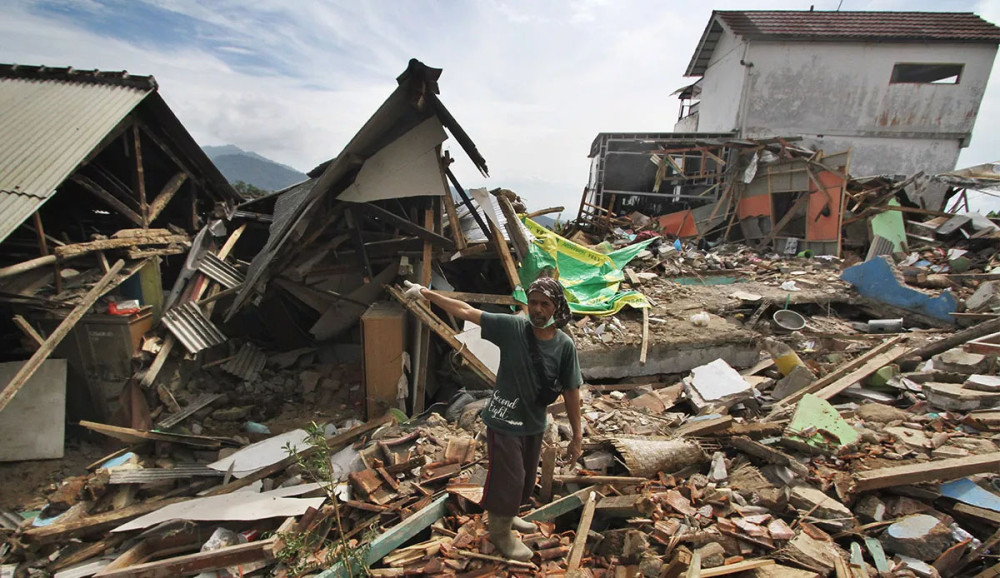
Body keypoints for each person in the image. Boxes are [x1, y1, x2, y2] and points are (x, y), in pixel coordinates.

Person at [405, 276, 583, 561]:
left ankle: (508, 515)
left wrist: (577, 435)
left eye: (545, 304)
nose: (537, 309)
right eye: (533, 302)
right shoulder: (512, 328)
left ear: (556, 307)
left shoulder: (564, 346)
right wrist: (426, 293)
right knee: (509, 479)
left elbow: (572, 391)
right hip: (503, 419)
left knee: (524, 482)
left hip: (533, 422)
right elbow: (465, 311)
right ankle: (499, 532)